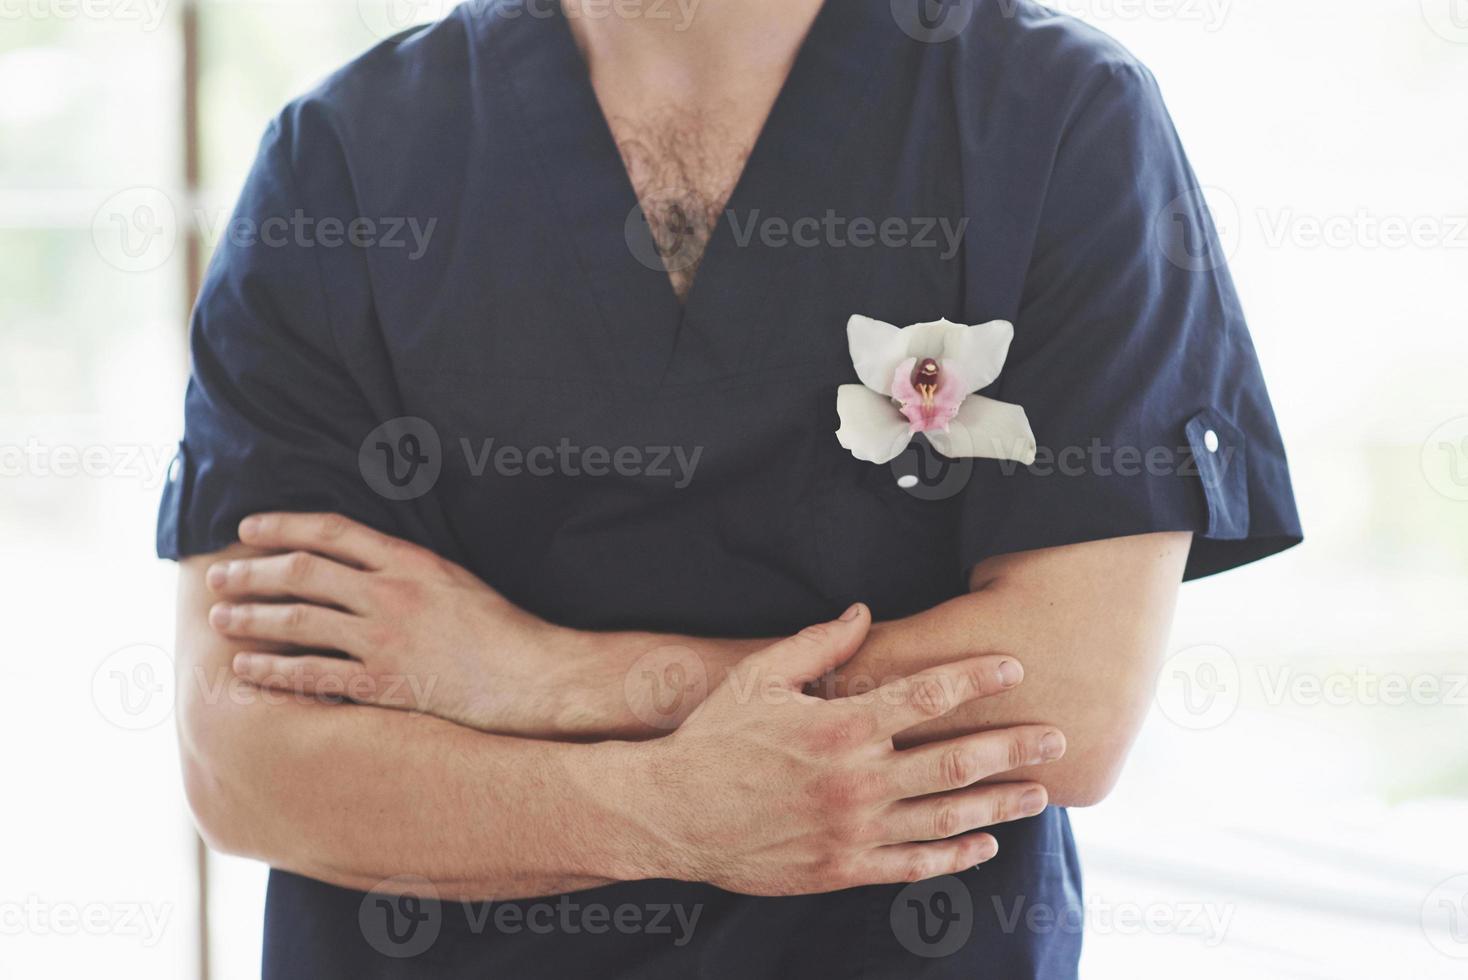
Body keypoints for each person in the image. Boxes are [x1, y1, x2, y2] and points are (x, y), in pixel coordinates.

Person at [159, 1, 1302, 976]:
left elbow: (1069, 705)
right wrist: (669, 810)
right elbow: (246, 759)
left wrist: (536, 674)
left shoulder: (1054, 117)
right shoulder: (344, 162)